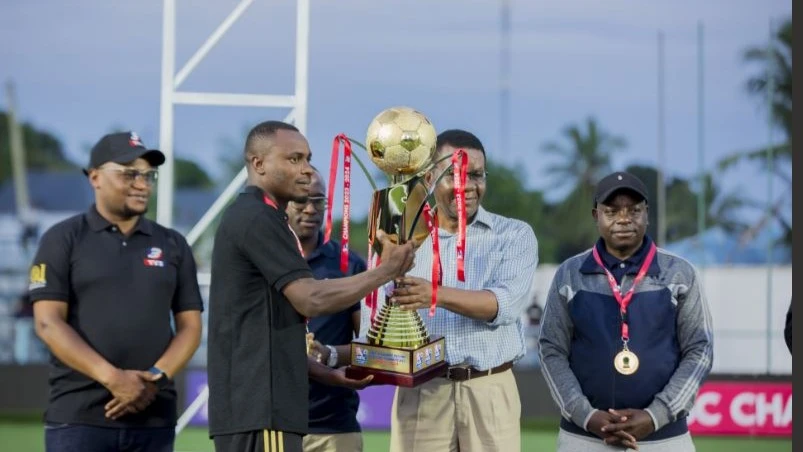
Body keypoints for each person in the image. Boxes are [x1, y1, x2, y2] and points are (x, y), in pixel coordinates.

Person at [207, 120, 416, 452]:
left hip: (263, 409)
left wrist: (325, 374)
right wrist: (385, 271)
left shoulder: (258, 218)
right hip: (263, 410)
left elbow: (266, 333)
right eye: (293, 159)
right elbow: (310, 299)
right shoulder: (258, 218)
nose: (305, 169)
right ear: (258, 164)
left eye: (307, 158)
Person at [29, 131, 204, 452]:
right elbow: (48, 323)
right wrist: (114, 379)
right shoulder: (62, 239)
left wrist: (154, 379)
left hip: (154, 416)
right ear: (95, 177)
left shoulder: (173, 243)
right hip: (78, 417)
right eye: (129, 174)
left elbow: (191, 327)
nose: (142, 183)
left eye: (148, 175)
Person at [383, 129, 538, 452]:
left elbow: (504, 306)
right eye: (452, 175)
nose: (466, 186)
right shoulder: (401, 239)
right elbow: (382, 310)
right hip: (423, 390)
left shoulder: (514, 235)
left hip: (489, 386)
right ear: (428, 178)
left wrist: (435, 294)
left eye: (476, 175)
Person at [538, 171, 714, 452]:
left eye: (634, 210)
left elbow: (700, 349)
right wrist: (587, 416)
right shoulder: (569, 274)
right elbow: (551, 349)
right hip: (584, 438)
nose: (623, 219)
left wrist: (656, 415)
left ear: (647, 213)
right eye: (611, 211)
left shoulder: (680, 273)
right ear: (596, 215)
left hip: (665, 438)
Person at [285, 168, 367, 452]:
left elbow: (372, 345)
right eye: (300, 201)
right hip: (273, 421)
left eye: (318, 201)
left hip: (334, 424)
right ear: (283, 202)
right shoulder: (266, 258)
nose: (310, 209)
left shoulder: (350, 265)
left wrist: (330, 354)